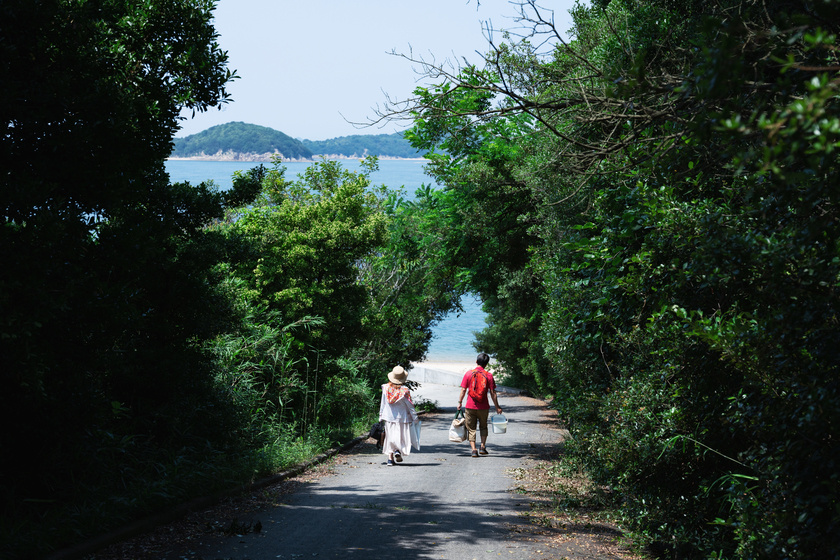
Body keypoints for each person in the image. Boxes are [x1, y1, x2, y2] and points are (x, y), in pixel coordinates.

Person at [457, 352, 503, 458]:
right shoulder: (489, 375)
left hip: (470, 406)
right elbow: (493, 393)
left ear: (476, 361)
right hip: (483, 406)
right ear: (486, 364)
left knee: (471, 428)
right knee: (483, 426)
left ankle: (474, 450)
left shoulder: (468, 374)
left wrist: (460, 402)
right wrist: (497, 407)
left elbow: (463, 389)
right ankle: (482, 447)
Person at [379, 365, 420, 466]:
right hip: (402, 417)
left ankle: (390, 459)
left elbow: (383, 403)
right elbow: (409, 405)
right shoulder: (404, 391)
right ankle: (397, 450)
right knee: (400, 436)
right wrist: (415, 417)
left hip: (388, 416)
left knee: (390, 437)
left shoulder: (385, 388)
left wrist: (381, 415)